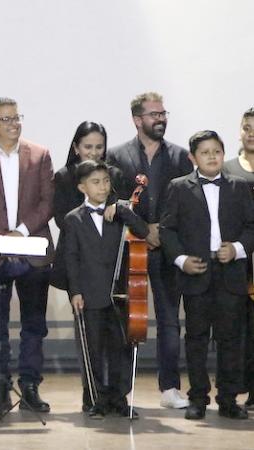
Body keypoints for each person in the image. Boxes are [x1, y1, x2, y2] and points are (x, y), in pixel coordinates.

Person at [0, 97, 54, 413]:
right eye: (5, 119)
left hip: (32, 251)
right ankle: (0, 387)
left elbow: (47, 201)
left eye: (16, 117)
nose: (13, 124)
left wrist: (21, 232)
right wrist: (1, 237)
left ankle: (30, 386)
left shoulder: (40, 154)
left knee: (34, 323)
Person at [106, 92, 193, 409]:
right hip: (131, 248)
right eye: (154, 114)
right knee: (130, 320)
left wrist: (162, 232)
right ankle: (123, 391)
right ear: (137, 119)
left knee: (170, 319)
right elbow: (114, 201)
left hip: (168, 249)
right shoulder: (116, 156)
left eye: (163, 113)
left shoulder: (181, 157)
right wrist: (145, 229)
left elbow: (186, 202)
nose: (161, 119)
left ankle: (169, 388)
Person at [160, 130, 254, 420]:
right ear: (193, 157)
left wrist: (237, 249)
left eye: (217, 151)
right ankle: (198, 397)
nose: (212, 157)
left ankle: (228, 398)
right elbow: (167, 229)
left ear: (223, 153)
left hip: (230, 272)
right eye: (205, 152)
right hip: (196, 271)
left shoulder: (239, 186)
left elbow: (251, 226)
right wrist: (181, 260)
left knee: (230, 338)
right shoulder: (178, 187)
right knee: (197, 338)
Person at [51, 121, 127, 411]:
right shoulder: (64, 177)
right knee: (89, 341)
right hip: (83, 268)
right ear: (76, 147)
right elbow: (63, 221)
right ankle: (93, 395)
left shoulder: (114, 175)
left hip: (114, 275)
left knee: (118, 341)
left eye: (99, 147)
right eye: (88, 147)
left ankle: (117, 395)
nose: (94, 152)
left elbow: (128, 217)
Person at [66, 160, 148, 419]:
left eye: (105, 181)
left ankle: (119, 398)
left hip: (119, 295)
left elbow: (143, 231)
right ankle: (95, 400)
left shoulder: (120, 213)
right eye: (95, 182)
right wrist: (75, 292)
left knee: (120, 349)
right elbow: (71, 259)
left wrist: (124, 210)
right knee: (92, 350)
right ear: (82, 187)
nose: (102, 187)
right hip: (90, 294)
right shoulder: (73, 219)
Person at [223, 107, 254, 409]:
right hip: (236, 260)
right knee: (237, 326)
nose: (251, 133)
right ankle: (236, 388)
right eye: (246, 127)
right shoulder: (228, 168)